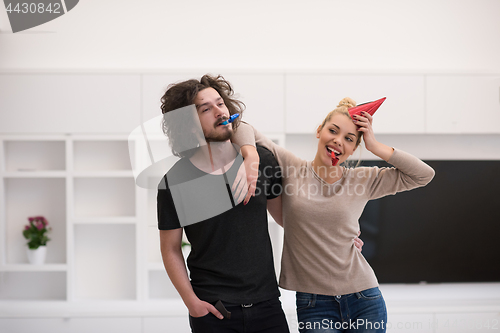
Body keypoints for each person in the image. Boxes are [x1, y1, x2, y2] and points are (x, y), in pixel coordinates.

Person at [232, 97, 435, 333]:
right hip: (314, 303)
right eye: (333, 131)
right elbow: (240, 126)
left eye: (349, 139)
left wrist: (375, 145)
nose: (338, 141)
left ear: (353, 148)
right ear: (320, 131)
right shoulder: (292, 168)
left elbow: (423, 175)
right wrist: (251, 154)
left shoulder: (363, 179)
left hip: (364, 298)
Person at [157, 74, 291, 333]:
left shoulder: (261, 161)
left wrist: (336, 234)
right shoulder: (174, 181)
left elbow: (288, 218)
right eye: (206, 109)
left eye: (220, 103)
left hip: (267, 305)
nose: (219, 111)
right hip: (213, 312)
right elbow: (170, 248)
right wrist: (192, 303)